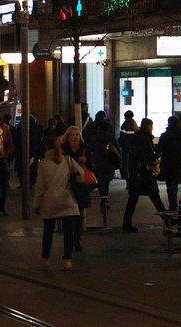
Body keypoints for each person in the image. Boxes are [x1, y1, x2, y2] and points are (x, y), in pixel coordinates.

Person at [33, 133, 83, 271]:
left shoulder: (43, 164)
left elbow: (40, 187)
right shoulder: (68, 160)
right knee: (68, 232)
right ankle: (67, 260)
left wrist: (36, 204)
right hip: (67, 200)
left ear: (46, 147)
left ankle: (45, 256)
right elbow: (81, 173)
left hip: (50, 202)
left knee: (48, 231)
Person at [122, 118, 166, 232]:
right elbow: (145, 156)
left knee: (133, 199)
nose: (152, 128)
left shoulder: (137, 138)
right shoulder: (145, 139)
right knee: (155, 197)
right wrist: (156, 156)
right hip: (143, 174)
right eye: (151, 126)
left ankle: (126, 223)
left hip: (137, 174)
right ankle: (167, 219)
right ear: (148, 127)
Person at [61, 124, 94, 252]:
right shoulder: (63, 150)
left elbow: (92, 167)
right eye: (72, 135)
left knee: (79, 214)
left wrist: (86, 160)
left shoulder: (86, 149)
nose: (75, 138)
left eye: (77, 135)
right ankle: (69, 239)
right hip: (67, 185)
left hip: (81, 186)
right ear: (67, 137)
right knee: (69, 215)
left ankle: (77, 239)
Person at [84, 110, 119, 204]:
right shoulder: (111, 137)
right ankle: (105, 196)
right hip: (109, 161)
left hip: (98, 160)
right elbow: (117, 147)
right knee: (107, 180)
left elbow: (89, 142)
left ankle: (103, 196)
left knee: (101, 179)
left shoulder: (94, 133)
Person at [156, 115, 181, 211]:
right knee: (174, 182)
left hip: (166, 162)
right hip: (177, 162)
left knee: (169, 183)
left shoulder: (164, 135)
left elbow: (159, 149)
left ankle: (173, 203)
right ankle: (173, 201)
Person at [118, 110, 139, 181]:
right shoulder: (135, 125)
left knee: (125, 165)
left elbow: (122, 138)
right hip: (134, 148)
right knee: (132, 165)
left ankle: (128, 180)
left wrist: (120, 144)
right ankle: (133, 180)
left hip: (126, 147)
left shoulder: (124, 125)